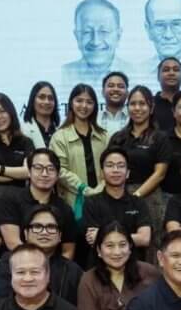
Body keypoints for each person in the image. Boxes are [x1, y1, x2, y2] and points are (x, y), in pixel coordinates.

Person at [108, 86, 171, 242]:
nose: (137, 108)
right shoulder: (118, 137)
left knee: (151, 244)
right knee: (118, 239)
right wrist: (122, 197)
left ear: (151, 108)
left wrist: (135, 196)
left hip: (150, 197)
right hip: (118, 196)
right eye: (133, 104)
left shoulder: (160, 137)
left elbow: (160, 174)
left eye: (142, 104)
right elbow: (107, 168)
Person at [0, 205, 84, 305]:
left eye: (51, 227)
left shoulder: (73, 271)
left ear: (60, 236)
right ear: (26, 234)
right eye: (37, 227)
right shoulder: (9, 261)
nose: (44, 232)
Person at [0, 149, 77, 258]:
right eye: (38, 168)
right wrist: (38, 266)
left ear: (58, 175)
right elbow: (13, 243)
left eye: (50, 169)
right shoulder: (10, 199)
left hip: (54, 268)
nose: (44, 174)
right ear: (29, 172)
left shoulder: (64, 208)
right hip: (18, 263)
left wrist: (55, 271)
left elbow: (68, 251)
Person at [82, 149, 152, 262]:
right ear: (102, 172)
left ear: (128, 173)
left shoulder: (138, 203)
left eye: (120, 166)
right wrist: (132, 238)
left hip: (133, 267)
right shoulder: (91, 203)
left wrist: (102, 236)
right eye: (110, 165)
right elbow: (92, 239)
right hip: (100, 267)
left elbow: (145, 239)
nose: (115, 170)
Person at [49, 84, 109, 212]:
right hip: (73, 202)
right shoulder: (60, 137)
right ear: (71, 103)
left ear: (95, 106)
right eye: (79, 101)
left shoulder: (104, 136)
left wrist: (101, 187)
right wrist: (84, 189)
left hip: (102, 199)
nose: (84, 106)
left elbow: (110, 165)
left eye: (89, 102)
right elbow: (60, 170)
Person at [61, 0, 132, 93]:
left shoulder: (134, 74)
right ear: (77, 36)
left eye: (104, 31)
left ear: (118, 36)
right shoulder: (63, 74)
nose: (96, 41)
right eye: (87, 32)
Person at [21, 81, 60, 150]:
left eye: (50, 98)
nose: (46, 102)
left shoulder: (61, 130)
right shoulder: (23, 130)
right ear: (32, 100)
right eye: (42, 97)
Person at [152, 57, 181, 131]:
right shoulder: (149, 104)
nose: (171, 73)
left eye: (176, 70)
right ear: (158, 76)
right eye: (166, 70)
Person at [99, 71, 130, 135]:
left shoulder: (134, 118)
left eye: (120, 86)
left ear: (127, 93)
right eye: (111, 86)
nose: (116, 89)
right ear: (103, 92)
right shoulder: (94, 119)